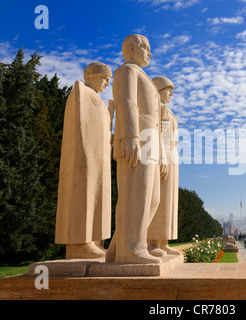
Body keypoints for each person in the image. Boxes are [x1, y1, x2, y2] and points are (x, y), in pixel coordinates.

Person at [106, 34, 167, 264]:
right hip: (136, 140)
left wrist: (159, 150)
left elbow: (155, 120)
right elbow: (126, 102)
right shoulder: (126, 71)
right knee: (135, 196)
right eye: (146, 48)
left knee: (150, 199)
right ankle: (131, 249)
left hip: (149, 140)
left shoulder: (144, 77)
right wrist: (130, 135)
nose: (150, 53)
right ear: (132, 48)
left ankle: (117, 249)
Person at [55, 62, 113, 259]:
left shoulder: (98, 101)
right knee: (83, 196)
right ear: (91, 76)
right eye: (105, 78)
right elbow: (80, 127)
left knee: (99, 197)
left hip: (99, 158)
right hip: (85, 157)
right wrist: (86, 155)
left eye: (109, 79)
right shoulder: (80, 93)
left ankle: (95, 240)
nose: (107, 82)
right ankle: (80, 244)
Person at [146, 76, 182, 257]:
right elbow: (158, 135)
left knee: (169, 201)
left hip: (172, 154)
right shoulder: (157, 110)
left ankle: (164, 241)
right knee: (160, 200)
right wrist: (162, 157)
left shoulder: (167, 110)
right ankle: (153, 243)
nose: (171, 94)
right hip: (163, 155)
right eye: (168, 89)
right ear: (158, 90)